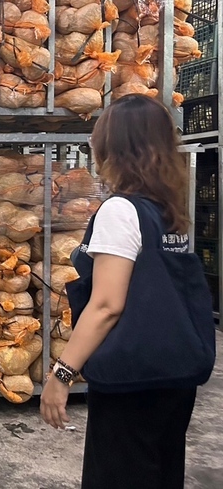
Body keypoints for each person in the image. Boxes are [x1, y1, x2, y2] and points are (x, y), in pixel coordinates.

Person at [40, 95, 208, 488]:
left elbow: (106, 305)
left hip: (131, 379)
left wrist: (61, 374)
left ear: (113, 148)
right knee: (161, 472)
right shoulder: (166, 211)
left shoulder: (120, 210)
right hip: (174, 373)